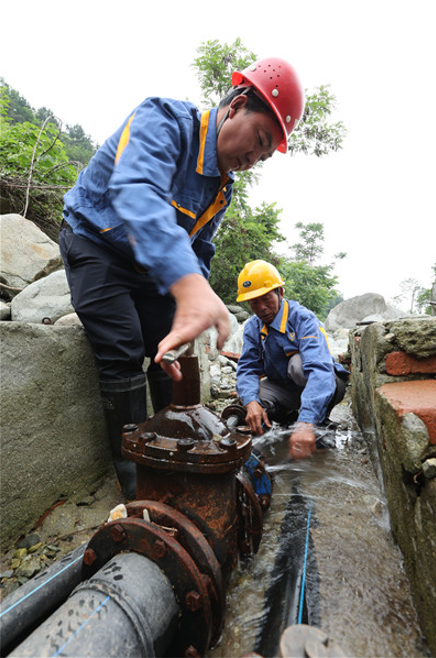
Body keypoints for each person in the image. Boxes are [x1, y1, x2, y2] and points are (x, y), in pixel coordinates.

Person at [59, 58, 305, 498]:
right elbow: (135, 189)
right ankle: (136, 475)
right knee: (122, 344)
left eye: (265, 156)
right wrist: (188, 287)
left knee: (168, 343)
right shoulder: (165, 119)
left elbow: (199, 250)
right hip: (95, 242)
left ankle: (179, 441)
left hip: (148, 267)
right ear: (238, 105)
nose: (254, 158)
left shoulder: (222, 187)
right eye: (259, 139)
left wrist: (195, 295)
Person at [235, 260, 349, 460]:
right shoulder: (253, 327)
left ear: (280, 292)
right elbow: (247, 369)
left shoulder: (303, 319)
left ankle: (317, 419)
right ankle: (289, 418)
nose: (261, 308)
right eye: (254, 302)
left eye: (266, 298)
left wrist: (306, 423)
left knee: (297, 364)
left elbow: (320, 371)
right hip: (285, 389)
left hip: (325, 385)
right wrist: (251, 402)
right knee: (250, 395)